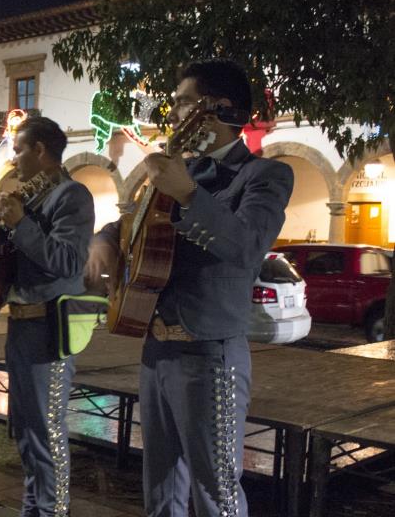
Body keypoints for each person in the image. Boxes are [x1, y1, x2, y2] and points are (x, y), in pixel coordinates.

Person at [86, 58, 294, 517]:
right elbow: (127, 223)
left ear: (217, 109)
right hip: (155, 349)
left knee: (214, 489)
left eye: (182, 103)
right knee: (159, 483)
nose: (174, 114)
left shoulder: (263, 176)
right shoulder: (184, 171)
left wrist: (189, 196)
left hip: (209, 353)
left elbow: (245, 247)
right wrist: (101, 241)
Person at [0, 117, 95, 516]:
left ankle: (52, 512)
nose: (14, 158)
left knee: (47, 433)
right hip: (23, 325)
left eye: (20, 149)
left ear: (40, 151)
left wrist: (20, 223)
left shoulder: (72, 195)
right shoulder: (30, 198)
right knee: (27, 434)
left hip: (50, 328)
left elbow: (66, 261)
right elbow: (5, 265)